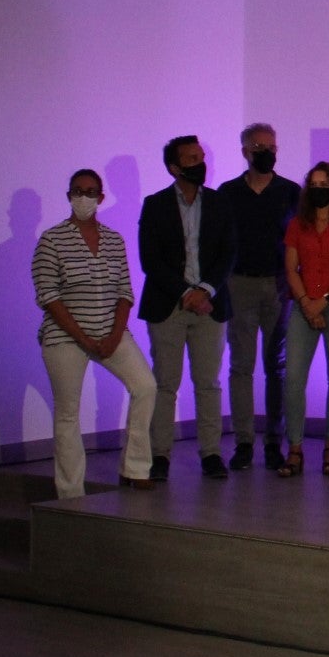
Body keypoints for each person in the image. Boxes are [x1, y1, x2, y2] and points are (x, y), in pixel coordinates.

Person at [33, 169, 157, 497]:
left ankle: (135, 467)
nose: (84, 197)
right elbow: (49, 295)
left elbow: (125, 291)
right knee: (68, 412)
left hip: (110, 331)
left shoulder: (114, 239)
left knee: (146, 386)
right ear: (68, 196)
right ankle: (71, 491)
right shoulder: (52, 239)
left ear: (101, 197)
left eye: (90, 192)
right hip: (64, 337)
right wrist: (83, 338)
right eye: (78, 191)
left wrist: (115, 335)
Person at [139, 135, 235, 481]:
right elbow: (150, 260)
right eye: (191, 158)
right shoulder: (155, 204)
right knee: (165, 383)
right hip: (169, 304)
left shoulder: (220, 202)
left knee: (208, 383)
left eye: (201, 156)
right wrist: (185, 293)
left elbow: (228, 252)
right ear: (174, 168)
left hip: (210, 304)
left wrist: (204, 290)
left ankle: (211, 453)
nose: (200, 163)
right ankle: (159, 455)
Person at [218, 123, 299, 472]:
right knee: (241, 366)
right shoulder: (228, 192)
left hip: (279, 285)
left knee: (276, 367)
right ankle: (243, 442)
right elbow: (221, 240)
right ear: (245, 151)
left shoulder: (290, 191)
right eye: (258, 146)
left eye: (271, 146)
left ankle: (273, 442)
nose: (266, 152)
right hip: (239, 284)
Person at [280, 162, 329, 478]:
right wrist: (306, 304)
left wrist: (323, 302)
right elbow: (291, 268)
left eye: (324, 184)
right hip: (302, 306)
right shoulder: (297, 224)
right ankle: (295, 449)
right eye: (313, 185)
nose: (318, 190)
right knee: (293, 378)